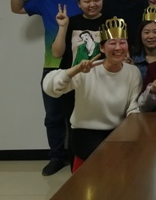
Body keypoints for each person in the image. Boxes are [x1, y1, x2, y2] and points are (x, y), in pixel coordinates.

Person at [10, 0, 82, 176]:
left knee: (79, 116)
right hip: (53, 66)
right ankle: (56, 157)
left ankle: (77, 158)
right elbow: (16, 7)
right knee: (53, 116)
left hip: (81, 67)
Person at [42, 17, 141, 172]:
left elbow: (133, 107)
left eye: (122, 42)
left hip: (117, 131)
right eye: (112, 43)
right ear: (102, 48)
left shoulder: (133, 72)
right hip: (85, 132)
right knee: (105, 161)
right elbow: (50, 88)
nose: (118, 47)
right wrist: (75, 70)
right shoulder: (87, 69)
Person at [52, 0, 108, 69]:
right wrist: (63, 27)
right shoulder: (70, 22)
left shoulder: (110, 22)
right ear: (79, 4)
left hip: (100, 75)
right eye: (87, 1)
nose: (92, 4)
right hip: (72, 75)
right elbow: (56, 54)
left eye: (97, 0)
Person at [130, 6, 156, 81]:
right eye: (146, 32)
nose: (151, 36)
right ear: (140, 35)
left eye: (155, 32)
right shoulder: (133, 59)